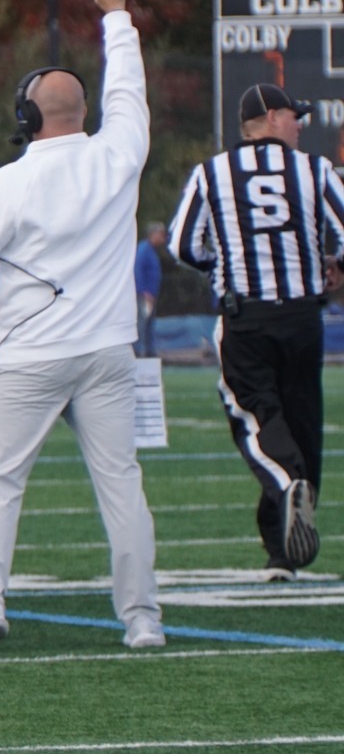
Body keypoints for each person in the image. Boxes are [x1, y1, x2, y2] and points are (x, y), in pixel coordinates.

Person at [0, 0, 164, 651]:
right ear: (82, 112)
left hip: (32, 356)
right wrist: (116, 13)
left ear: (26, 119)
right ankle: (143, 618)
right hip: (109, 348)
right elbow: (128, 90)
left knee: (1, 480)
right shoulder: (120, 154)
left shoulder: (11, 181)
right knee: (121, 484)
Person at [170, 83, 344, 578]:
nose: (299, 125)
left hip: (246, 316)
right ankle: (282, 551)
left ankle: (287, 487)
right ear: (270, 118)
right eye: (293, 116)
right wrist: (338, 266)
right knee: (300, 420)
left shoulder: (212, 172)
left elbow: (184, 245)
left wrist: (223, 266)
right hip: (303, 316)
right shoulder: (314, 169)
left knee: (255, 414)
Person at [135, 222, 167, 357]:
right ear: (153, 234)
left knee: (149, 324)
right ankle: (139, 351)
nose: (163, 238)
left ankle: (149, 351)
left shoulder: (152, 251)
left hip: (151, 295)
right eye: (161, 234)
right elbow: (137, 271)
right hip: (144, 296)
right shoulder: (144, 249)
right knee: (141, 323)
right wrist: (144, 291)